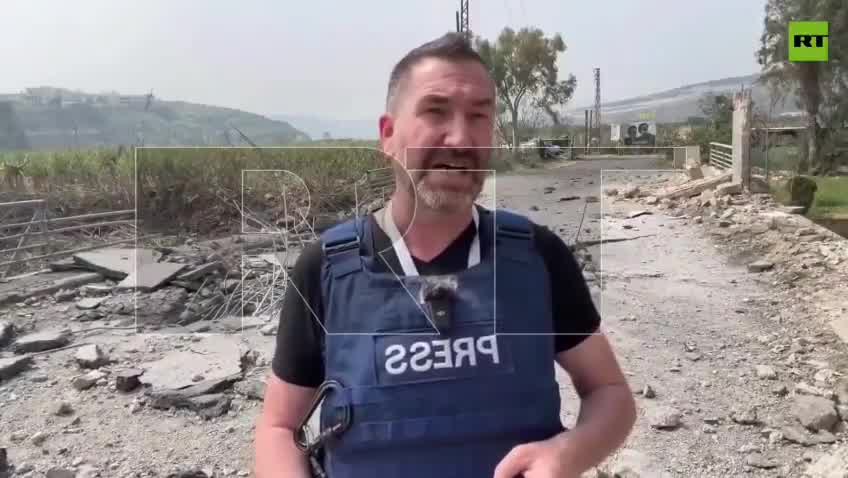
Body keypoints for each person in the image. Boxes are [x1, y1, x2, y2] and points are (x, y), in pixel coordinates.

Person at [254, 32, 636, 478]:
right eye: (436, 111)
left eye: (479, 117)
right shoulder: (326, 268)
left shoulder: (537, 257)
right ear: (388, 135)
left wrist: (566, 455)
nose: (460, 138)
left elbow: (609, 392)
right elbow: (278, 427)